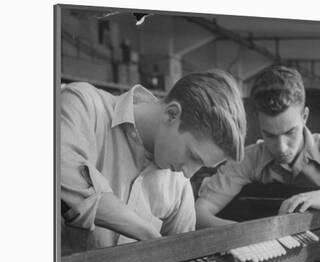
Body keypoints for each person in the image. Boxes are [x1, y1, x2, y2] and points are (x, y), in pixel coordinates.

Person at [60, 70, 246, 252]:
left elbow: (181, 257)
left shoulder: (179, 184)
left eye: (202, 166)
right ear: (172, 114)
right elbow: (61, 176)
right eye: (193, 156)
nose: (189, 173)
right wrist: (146, 232)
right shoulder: (82, 105)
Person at [195, 65, 320, 228]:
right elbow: (200, 211)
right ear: (259, 122)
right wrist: (241, 234)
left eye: (290, 132)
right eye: (270, 135)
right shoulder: (248, 159)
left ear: (305, 116)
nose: (281, 147)